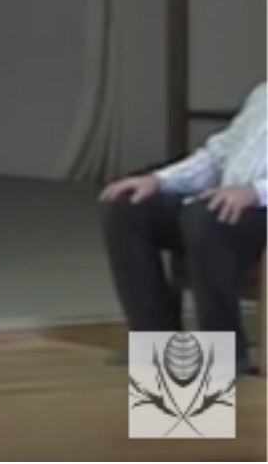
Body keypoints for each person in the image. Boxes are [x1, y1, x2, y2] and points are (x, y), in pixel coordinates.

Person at [98, 81, 266, 373]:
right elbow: (216, 156)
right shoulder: (264, 94)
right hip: (228, 202)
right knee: (127, 207)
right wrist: (158, 180)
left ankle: (225, 355)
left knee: (206, 218)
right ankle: (157, 344)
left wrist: (254, 192)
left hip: (259, 206)